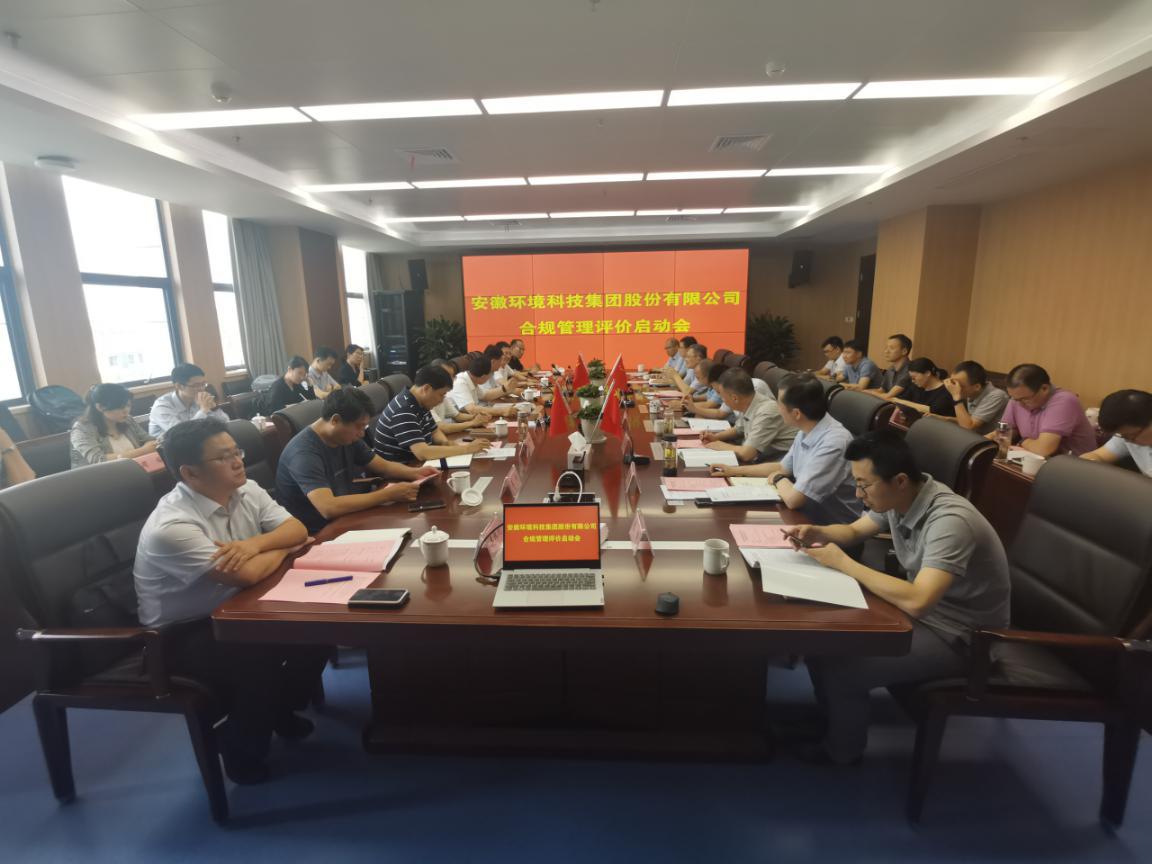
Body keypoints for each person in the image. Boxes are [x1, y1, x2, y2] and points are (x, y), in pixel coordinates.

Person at [790, 430, 1010, 764]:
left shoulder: (951, 522)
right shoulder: (899, 496)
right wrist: (818, 532)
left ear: (900, 480)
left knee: (843, 668)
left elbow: (920, 600)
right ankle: (832, 722)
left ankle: (842, 753)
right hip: (924, 614)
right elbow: (854, 531)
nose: (858, 493)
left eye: (864, 485)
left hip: (964, 636)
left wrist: (844, 563)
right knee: (821, 638)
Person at [134, 418, 328, 784]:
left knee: (320, 627)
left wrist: (254, 545)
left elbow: (297, 529)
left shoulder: (246, 488)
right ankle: (240, 748)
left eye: (236, 451)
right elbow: (246, 574)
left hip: (243, 605)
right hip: (180, 634)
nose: (239, 461)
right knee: (258, 657)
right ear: (190, 473)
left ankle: (277, 711)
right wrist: (284, 549)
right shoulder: (171, 527)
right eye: (223, 457)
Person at [275, 388, 439, 532]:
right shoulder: (303, 453)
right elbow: (328, 507)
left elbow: (383, 467)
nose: (362, 434)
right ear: (335, 420)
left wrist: (417, 473)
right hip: (317, 532)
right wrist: (386, 495)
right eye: (359, 426)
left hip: (346, 516)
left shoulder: (345, 436)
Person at [711, 373, 862, 524]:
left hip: (829, 527)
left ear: (796, 413)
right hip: (804, 516)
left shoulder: (834, 443)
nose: (776, 407)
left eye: (779, 404)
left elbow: (794, 499)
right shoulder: (807, 428)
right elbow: (782, 467)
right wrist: (733, 471)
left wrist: (778, 478)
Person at [372, 365, 489, 463]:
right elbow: (422, 452)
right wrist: (467, 449)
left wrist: (445, 443)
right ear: (426, 389)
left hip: (417, 463)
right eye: (441, 394)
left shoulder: (419, 402)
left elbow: (434, 431)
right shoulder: (403, 409)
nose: (442, 400)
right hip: (404, 469)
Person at [997, 363, 1097, 456]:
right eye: (1015, 399)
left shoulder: (1064, 400)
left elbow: (1043, 449)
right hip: (1034, 460)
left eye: (1025, 399)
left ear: (1044, 388)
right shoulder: (1017, 399)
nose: (1019, 404)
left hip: (1074, 464)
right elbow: (1005, 433)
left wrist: (1024, 441)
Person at [701, 368, 797, 462]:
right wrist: (716, 437)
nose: (722, 400)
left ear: (735, 398)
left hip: (781, 459)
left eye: (722, 395)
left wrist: (721, 446)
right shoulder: (750, 402)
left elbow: (747, 454)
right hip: (766, 455)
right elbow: (739, 429)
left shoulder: (766, 412)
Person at [70, 383, 158, 468]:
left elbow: (151, 442)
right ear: (100, 407)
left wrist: (123, 456)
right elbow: (99, 460)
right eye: (120, 407)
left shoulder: (127, 420)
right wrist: (144, 450)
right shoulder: (82, 429)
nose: (126, 411)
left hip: (133, 471)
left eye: (128, 405)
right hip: (99, 476)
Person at [1081, 389, 1152, 477]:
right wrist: (1088, 463)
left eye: (1132, 436)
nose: (1128, 441)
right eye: (1123, 436)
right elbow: (1098, 455)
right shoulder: (1127, 435)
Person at [149, 363, 229, 438]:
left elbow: (226, 423)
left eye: (203, 384)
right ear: (179, 386)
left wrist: (214, 408)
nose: (202, 389)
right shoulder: (162, 406)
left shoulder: (198, 400)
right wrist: (203, 410)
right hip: (167, 446)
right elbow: (181, 434)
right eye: (196, 385)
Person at [940, 360, 1009, 434]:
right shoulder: (972, 392)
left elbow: (968, 427)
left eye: (959, 385)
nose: (955, 388)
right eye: (953, 383)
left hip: (991, 439)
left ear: (977, 387)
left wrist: (956, 397)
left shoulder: (996, 396)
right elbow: (969, 420)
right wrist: (944, 419)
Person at [885, 358, 956, 423]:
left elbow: (931, 410)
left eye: (914, 378)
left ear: (927, 373)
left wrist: (899, 401)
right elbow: (902, 399)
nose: (912, 381)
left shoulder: (946, 391)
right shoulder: (916, 386)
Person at [428, 359, 486, 434]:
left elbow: (458, 416)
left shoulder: (442, 393)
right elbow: (442, 427)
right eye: (448, 375)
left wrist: (476, 417)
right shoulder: (427, 398)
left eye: (453, 376)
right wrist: (472, 423)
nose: (453, 380)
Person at [449, 354, 517, 417]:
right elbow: (472, 409)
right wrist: (502, 411)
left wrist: (504, 388)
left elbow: (485, 396)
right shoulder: (460, 382)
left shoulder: (472, 379)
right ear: (483, 376)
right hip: (453, 422)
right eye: (491, 373)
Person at [869, 333, 912, 398]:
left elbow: (888, 396)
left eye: (891, 348)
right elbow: (882, 390)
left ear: (904, 351)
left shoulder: (911, 370)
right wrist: (862, 391)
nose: (886, 351)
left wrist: (867, 392)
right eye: (886, 348)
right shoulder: (891, 369)